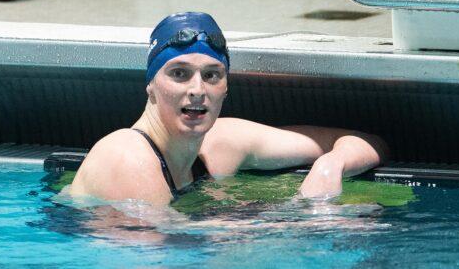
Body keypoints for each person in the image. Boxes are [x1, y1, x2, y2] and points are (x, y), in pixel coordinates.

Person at [70, 12, 388, 206]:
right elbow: (166, 254)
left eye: (211, 75)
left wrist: (329, 168)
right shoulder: (126, 156)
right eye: (179, 73)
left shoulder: (221, 144)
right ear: (151, 85)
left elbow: (370, 143)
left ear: (225, 88)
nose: (197, 90)